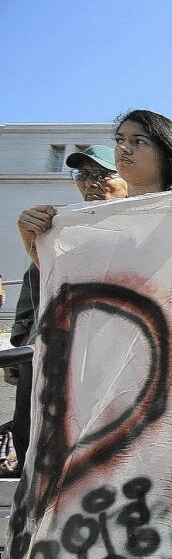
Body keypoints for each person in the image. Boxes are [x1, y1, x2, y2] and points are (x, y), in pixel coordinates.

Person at [9, 146, 130, 474]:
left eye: (104, 174)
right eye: (85, 175)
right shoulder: (57, 229)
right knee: (34, 434)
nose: (93, 183)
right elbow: (34, 288)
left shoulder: (143, 228)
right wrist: (22, 343)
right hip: (50, 352)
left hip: (111, 354)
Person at [16, 110, 172, 263]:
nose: (123, 148)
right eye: (119, 139)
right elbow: (70, 283)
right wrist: (32, 241)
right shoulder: (87, 222)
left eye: (138, 141)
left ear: (168, 152)